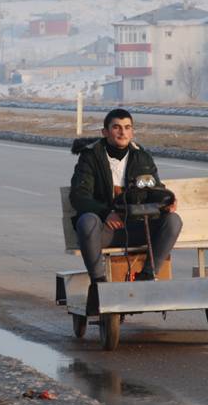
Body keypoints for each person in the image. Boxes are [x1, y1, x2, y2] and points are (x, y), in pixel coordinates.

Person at [69, 108, 182, 312]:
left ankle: (147, 276)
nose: (122, 132)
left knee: (174, 220)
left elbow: (153, 189)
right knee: (86, 221)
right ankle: (98, 284)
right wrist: (105, 213)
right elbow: (79, 196)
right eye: (116, 127)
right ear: (105, 132)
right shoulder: (90, 157)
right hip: (106, 232)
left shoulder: (142, 157)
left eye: (127, 127)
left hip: (139, 228)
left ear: (132, 132)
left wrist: (168, 200)